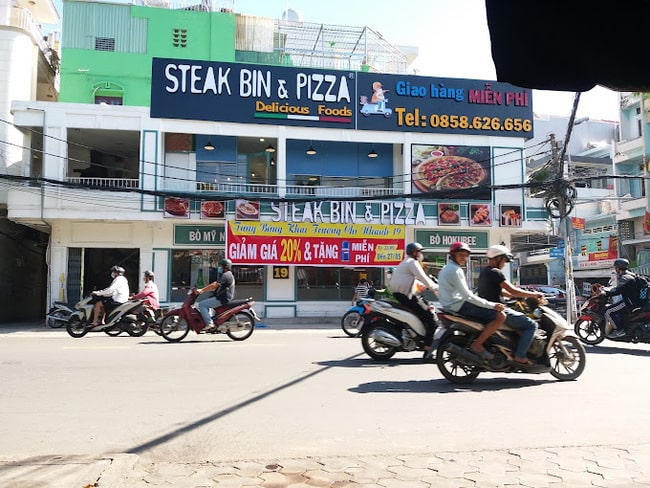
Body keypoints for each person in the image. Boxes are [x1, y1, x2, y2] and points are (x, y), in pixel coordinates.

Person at [477, 245, 546, 368]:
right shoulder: (495, 272)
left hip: (488, 309)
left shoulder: (485, 272)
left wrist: (514, 296)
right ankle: (520, 356)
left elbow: (497, 291)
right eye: (504, 260)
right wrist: (534, 294)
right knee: (531, 324)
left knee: (521, 320)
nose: (504, 264)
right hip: (496, 310)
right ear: (497, 258)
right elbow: (512, 289)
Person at [437, 242, 506, 361]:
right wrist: (492, 305)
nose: (464, 258)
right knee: (500, 316)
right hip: (460, 306)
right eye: (460, 255)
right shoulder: (455, 270)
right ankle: (478, 345)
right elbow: (468, 296)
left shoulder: (446, 268)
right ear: (453, 255)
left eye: (466, 255)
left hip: (452, 305)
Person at [389, 242, 439, 360]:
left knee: (424, 314)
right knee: (432, 321)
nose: (420, 254)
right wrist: (436, 288)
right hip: (406, 295)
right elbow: (423, 277)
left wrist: (428, 286)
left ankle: (421, 339)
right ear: (414, 252)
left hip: (402, 294)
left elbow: (417, 281)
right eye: (419, 252)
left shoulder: (406, 262)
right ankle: (427, 352)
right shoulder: (412, 263)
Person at [601, 258, 639, 338]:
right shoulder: (630, 275)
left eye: (615, 268)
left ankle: (619, 330)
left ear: (617, 268)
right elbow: (618, 288)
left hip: (628, 302)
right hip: (635, 301)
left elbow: (617, 291)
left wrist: (606, 293)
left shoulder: (624, 277)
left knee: (608, 311)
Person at [196, 258, 235, 332]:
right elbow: (215, 287)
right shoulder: (227, 274)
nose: (220, 268)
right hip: (222, 297)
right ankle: (211, 320)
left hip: (222, 299)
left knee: (202, 305)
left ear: (225, 267)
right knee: (207, 301)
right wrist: (205, 290)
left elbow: (215, 284)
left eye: (221, 266)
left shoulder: (226, 275)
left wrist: (202, 290)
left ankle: (210, 324)